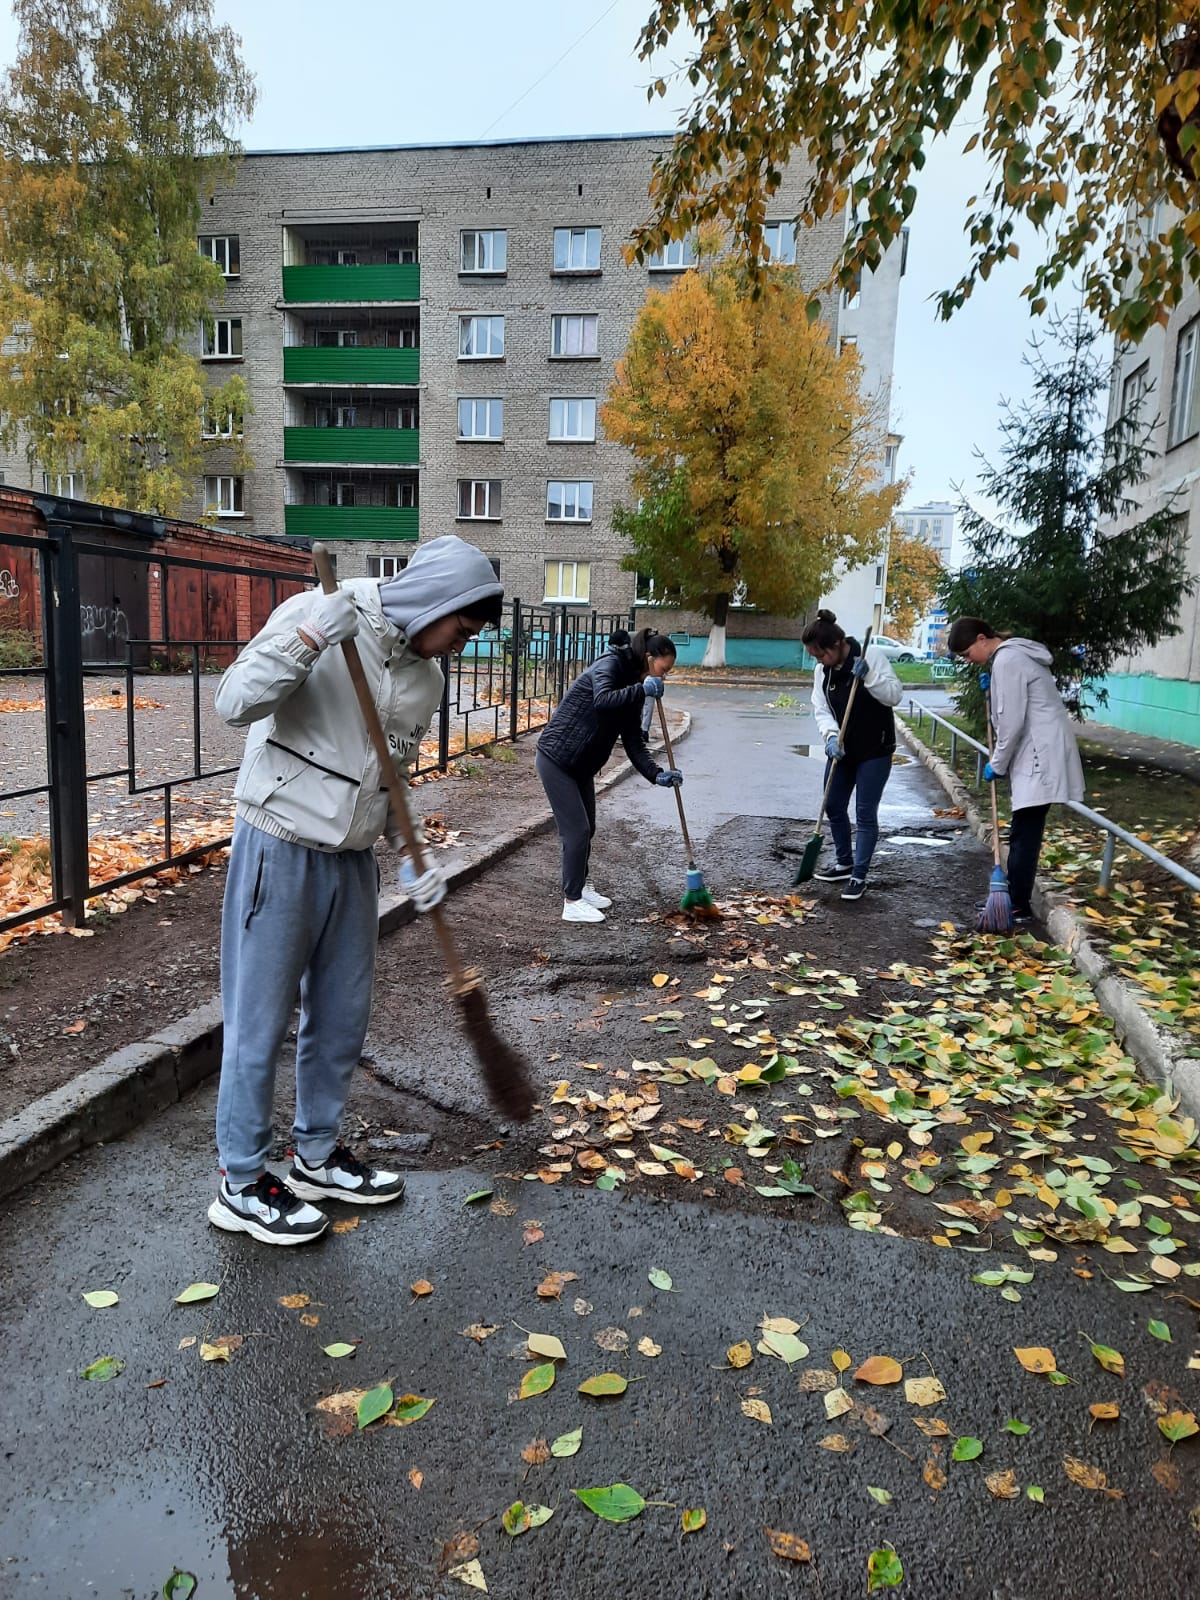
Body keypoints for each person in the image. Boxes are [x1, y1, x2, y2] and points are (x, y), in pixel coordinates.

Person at [209, 535, 504, 1246]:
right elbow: (233, 702)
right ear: (434, 603)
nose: (460, 646)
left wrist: (412, 855)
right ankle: (240, 1182)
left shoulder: (426, 680)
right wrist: (310, 637)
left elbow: (392, 776)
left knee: (341, 1019)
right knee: (258, 1023)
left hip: (352, 862)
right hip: (279, 844)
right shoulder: (320, 610)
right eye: (460, 629)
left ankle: (314, 1156)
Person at [536, 626, 682, 923]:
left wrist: (656, 774)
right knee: (576, 830)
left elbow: (633, 742)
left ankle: (582, 886)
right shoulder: (611, 664)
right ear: (649, 657)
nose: (663, 677)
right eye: (663, 670)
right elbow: (602, 699)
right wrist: (642, 689)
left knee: (587, 828)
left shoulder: (635, 686)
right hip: (557, 758)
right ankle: (572, 901)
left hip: (581, 765)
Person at [945, 615, 1084, 925]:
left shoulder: (1008, 660)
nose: (968, 660)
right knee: (1024, 828)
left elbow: (1011, 723)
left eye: (967, 653)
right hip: (1038, 749)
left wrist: (997, 764)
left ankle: (1017, 903)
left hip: (1039, 753)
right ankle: (1011, 895)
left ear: (982, 639)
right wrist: (993, 690)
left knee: (1024, 832)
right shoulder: (1010, 656)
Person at [801, 608, 902, 901]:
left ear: (836, 645)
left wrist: (869, 676)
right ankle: (844, 863)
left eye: (821, 654)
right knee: (833, 805)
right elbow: (821, 708)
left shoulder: (870, 657)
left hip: (875, 749)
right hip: (842, 749)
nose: (818, 661)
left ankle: (859, 874)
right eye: (815, 657)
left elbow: (894, 695)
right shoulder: (823, 671)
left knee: (865, 813)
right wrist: (831, 737)